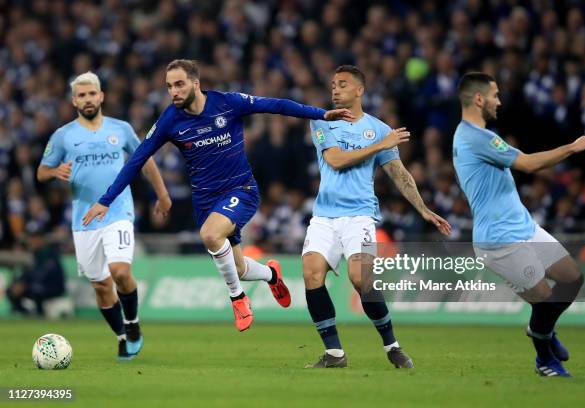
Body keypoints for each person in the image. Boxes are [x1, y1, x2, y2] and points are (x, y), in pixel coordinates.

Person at [82, 59, 353, 332]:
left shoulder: (227, 103)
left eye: (179, 84)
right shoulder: (170, 120)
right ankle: (271, 275)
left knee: (211, 235)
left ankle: (237, 298)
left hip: (241, 190)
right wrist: (106, 200)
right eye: (168, 87)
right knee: (240, 269)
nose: (173, 91)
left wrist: (320, 114)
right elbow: (137, 160)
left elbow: (277, 105)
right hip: (205, 201)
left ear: (195, 84)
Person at [452, 72, 585, 377]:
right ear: (479, 99)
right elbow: (530, 164)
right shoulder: (477, 138)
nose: (499, 101)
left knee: (572, 278)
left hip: (523, 226)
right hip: (499, 238)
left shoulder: (469, 135)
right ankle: (544, 360)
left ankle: (541, 330)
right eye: (494, 95)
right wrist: (572, 147)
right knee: (544, 300)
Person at [302, 65, 452, 368]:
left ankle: (392, 346)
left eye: (342, 85)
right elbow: (335, 160)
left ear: (359, 91)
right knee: (311, 274)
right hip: (324, 217)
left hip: (361, 216)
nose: (335, 90)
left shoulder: (379, 129)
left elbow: (399, 173)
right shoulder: (321, 122)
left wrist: (422, 208)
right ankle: (334, 353)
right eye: (332, 84)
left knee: (361, 279)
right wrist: (379, 145)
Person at [38, 72, 172, 360]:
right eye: (81, 95)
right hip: (84, 220)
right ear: (74, 101)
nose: (87, 99)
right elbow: (41, 171)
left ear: (101, 96)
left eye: (91, 94)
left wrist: (162, 194)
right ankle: (123, 336)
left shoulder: (120, 129)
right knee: (100, 285)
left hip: (118, 211)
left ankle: (133, 324)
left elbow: (144, 160)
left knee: (120, 272)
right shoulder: (63, 136)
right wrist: (54, 172)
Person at [5, 223, 66, 317]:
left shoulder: (51, 253)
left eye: (36, 238)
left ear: (42, 240)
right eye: (31, 238)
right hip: (35, 284)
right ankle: (22, 313)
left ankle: (40, 315)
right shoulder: (32, 254)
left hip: (53, 286)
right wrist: (20, 282)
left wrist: (26, 284)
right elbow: (26, 273)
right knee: (11, 290)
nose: (33, 241)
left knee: (36, 290)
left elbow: (45, 273)